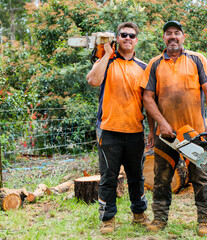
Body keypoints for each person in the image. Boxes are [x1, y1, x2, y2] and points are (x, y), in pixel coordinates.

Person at [140, 20, 207, 236]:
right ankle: (159, 218)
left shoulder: (197, 59)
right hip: (165, 135)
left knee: (200, 177)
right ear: (163, 38)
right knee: (161, 178)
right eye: (168, 33)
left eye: (176, 33)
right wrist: (159, 126)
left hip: (195, 133)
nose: (172, 37)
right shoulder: (154, 64)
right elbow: (147, 98)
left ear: (183, 37)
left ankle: (205, 220)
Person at [86, 22, 150, 235]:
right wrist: (106, 54)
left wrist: (153, 130)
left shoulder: (143, 67)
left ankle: (139, 215)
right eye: (123, 35)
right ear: (117, 38)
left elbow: (149, 101)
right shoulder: (106, 62)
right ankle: (107, 220)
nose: (128, 38)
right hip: (109, 130)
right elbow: (93, 80)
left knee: (136, 176)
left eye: (131, 35)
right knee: (108, 177)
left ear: (136, 40)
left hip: (135, 131)